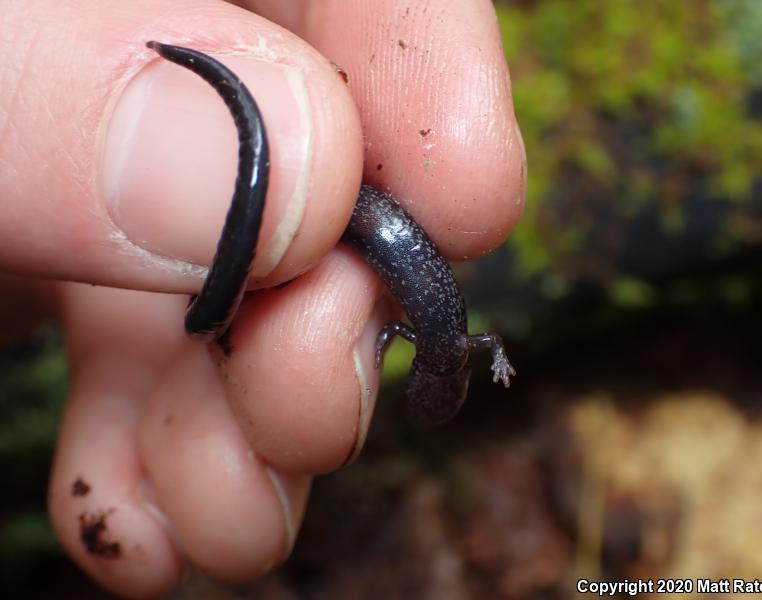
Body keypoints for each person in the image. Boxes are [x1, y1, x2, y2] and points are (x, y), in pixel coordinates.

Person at [1, 1, 526, 596]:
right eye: (432, 396)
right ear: (443, 381)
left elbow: (391, 335)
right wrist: (494, 355)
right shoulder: (451, 343)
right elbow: (399, 337)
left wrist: (477, 354)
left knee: (300, 243)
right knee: (310, 210)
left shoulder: (447, 344)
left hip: (365, 222)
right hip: (360, 213)